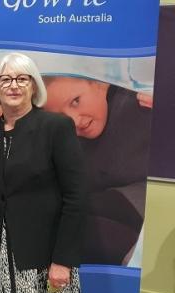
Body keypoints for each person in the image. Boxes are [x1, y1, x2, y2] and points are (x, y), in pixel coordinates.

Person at [0, 52, 85, 293]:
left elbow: (75, 197)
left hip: (44, 258)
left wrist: (63, 260)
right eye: (6, 79)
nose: (13, 85)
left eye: (22, 78)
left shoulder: (56, 127)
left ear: (34, 86)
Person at [43, 76, 152, 265]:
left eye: (76, 101)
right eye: (60, 117)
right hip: (124, 201)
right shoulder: (66, 141)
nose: (74, 120)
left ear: (102, 84)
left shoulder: (139, 102)